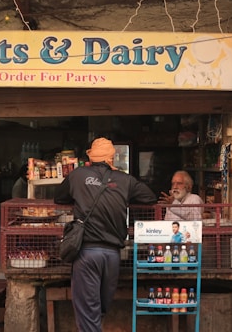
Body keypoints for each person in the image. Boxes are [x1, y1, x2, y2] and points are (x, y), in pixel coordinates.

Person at [54, 137, 156, 332]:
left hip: (87, 253)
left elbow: (59, 197)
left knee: (88, 312)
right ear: (112, 158)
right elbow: (150, 197)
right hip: (112, 255)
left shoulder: (78, 175)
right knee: (100, 308)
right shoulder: (124, 179)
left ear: (91, 157)